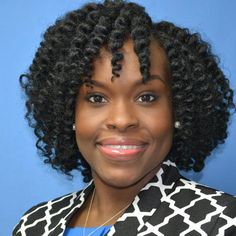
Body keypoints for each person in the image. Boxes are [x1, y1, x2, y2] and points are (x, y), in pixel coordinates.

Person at [13, 0, 236, 235]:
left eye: (147, 97)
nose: (121, 120)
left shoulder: (220, 222)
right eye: (97, 98)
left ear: (177, 111)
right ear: (69, 112)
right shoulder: (35, 224)